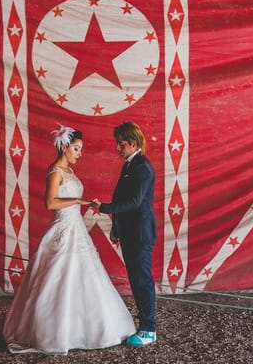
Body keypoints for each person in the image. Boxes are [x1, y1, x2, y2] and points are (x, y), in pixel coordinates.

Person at [3, 123, 136, 355]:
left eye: (80, 149)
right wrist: (77, 201)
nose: (80, 153)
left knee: (84, 276)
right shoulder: (55, 171)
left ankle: (84, 327)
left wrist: (82, 202)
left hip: (76, 228)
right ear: (64, 147)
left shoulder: (71, 173)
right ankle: (54, 331)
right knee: (58, 276)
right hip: (63, 227)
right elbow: (50, 203)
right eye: (76, 149)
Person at [91, 121, 157, 347]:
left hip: (140, 233)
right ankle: (144, 325)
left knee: (142, 281)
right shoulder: (129, 165)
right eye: (117, 144)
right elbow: (123, 200)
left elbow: (134, 202)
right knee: (136, 280)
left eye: (122, 144)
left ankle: (149, 329)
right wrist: (116, 228)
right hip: (129, 231)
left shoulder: (142, 167)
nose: (118, 148)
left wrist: (104, 208)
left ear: (134, 142)